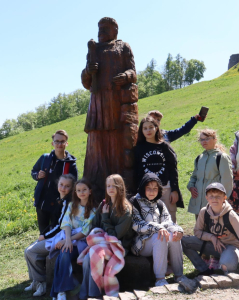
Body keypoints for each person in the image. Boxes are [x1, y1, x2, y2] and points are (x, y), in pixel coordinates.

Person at [81, 17, 138, 198]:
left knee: (116, 142)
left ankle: (119, 186)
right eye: (100, 28)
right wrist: (88, 71)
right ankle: (95, 186)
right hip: (97, 104)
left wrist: (125, 76)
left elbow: (133, 73)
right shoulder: (93, 50)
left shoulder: (123, 47)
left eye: (106, 28)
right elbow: (85, 81)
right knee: (97, 143)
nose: (101, 31)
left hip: (116, 104)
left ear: (115, 31)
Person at [130, 173, 196, 292]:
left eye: (155, 188)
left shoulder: (159, 204)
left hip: (159, 238)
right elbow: (137, 225)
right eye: (149, 188)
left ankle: (179, 275)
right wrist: (158, 228)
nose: (152, 191)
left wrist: (177, 230)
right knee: (160, 236)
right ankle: (160, 278)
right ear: (143, 187)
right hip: (141, 244)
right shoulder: (134, 202)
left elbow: (167, 221)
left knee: (174, 236)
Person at [182, 183, 239, 276]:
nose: (214, 199)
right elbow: (197, 231)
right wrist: (211, 237)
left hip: (231, 246)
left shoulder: (230, 215)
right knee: (184, 241)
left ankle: (224, 260)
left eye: (218, 196)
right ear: (206, 198)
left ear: (224, 197)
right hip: (212, 245)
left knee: (227, 266)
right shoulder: (204, 212)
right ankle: (204, 269)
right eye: (211, 196)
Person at [79, 174, 134, 300]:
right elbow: (95, 225)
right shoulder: (104, 204)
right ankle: (88, 293)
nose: (110, 188)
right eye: (108, 186)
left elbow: (115, 235)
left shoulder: (126, 210)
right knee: (88, 257)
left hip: (119, 246)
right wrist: (98, 233)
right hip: (103, 243)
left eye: (114, 186)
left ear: (120, 188)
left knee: (93, 253)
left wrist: (105, 217)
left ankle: (92, 294)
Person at [24, 174, 76, 297]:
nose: (63, 188)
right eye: (61, 185)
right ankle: (36, 281)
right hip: (54, 235)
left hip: (60, 237)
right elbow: (53, 223)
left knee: (31, 251)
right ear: (57, 184)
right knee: (29, 251)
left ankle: (41, 283)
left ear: (72, 188)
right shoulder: (60, 199)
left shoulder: (68, 203)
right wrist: (44, 233)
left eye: (67, 186)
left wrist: (45, 236)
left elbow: (61, 225)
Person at [50, 179, 97, 300]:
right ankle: (62, 292)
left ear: (90, 191)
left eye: (84, 190)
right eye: (79, 190)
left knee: (63, 253)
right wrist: (67, 240)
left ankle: (58, 292)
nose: (81, 192)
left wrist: (68, 240)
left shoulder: (93, 210)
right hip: (69, 238)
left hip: (81, 242)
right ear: (75, 192)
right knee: (64, 253)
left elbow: (84, 231)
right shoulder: (72, 205)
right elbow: (66, 223)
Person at [134, 116, 184, 223]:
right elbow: (136, 172)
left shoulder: (165, 147)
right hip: (147, 191)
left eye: (151, 127)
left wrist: (174, 190)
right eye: (145, 128)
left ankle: (172, 239)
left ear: (156, 128)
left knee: (170, 219)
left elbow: (173, 170)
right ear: (141, 131)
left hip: (166, 188)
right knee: (150, 219)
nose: (148, 130)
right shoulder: (138, 149)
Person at [31, 129, 78, 233]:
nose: (59, 144)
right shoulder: (45, 158)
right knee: (43, 231)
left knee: (56, 230)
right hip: (42, 201)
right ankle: (43, 246)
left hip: (59, 203)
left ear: (67, 143)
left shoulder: (70, 164)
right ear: (53, 143)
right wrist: (37, 175)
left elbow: (75, 185)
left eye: (62, 141)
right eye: (57, 141)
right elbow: (33, 171)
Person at [187, 129, 233, 219]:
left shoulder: (221, 157)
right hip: (199, 201)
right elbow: (194, 177)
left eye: (207, 139)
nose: (204, 141)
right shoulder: (199, 158)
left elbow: (227, 181)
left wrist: (222, 200)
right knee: (200, 229)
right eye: (202, 139)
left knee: (215, 229)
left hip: (215, 202)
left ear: (215, 139)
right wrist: (191, 187)